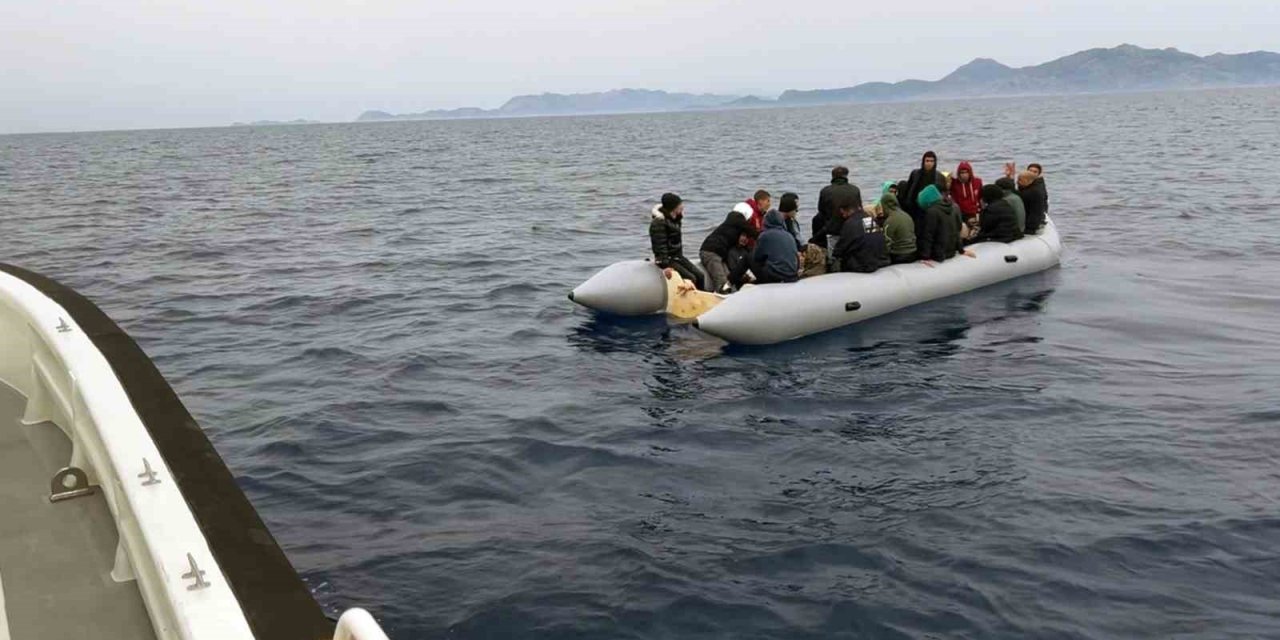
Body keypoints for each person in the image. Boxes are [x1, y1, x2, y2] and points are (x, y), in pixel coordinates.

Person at [649, 193, 707, 290]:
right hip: (668, 259)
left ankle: (702, 297)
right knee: (690, 278)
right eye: (679, 205)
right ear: (673, 207)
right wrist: (665, 265)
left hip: (678, 256)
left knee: (700, 275)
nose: (682, 207)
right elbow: (659, 245)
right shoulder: (659, 223)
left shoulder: (675, 220)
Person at [699, 203, 759, 293]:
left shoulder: (732, 221)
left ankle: (729, 295)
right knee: (722, 281)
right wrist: (764, 237)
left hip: (718, 254)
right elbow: (752, 232)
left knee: (729, 279)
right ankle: (722, 297)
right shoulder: (737, 219)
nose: (748, 221)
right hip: (711, 252)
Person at [810, 166, 862, 249]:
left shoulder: (825, 191)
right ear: (846, 176)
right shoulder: (855, 190)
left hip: (833, 230)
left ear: (832, 176)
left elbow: (821, 210)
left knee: (834, 255)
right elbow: (859, 210)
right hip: (852, 230)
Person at [831, 201, 887, 273]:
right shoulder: (869, 219)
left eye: (843, 213)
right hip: (880, 259)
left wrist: (834, 255)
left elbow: (840, 249)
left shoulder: (850, 224)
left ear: (849, 211)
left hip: (863, 265)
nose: (843, 216)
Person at [751, 210, 801, 284]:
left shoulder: (764, 236)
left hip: (775, 276)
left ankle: (732, 282)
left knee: (747, 258)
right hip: (792, 276)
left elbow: (756, 258)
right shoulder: (789, 235)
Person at [917, 184, 963, 262]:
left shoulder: (931, 212)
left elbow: (928, 235)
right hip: (951, 251)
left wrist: (925, 257)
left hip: (938, 255)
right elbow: (957, 230)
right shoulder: (954, 207)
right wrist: (961, 249)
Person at [903, 151, 947, 223]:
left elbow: (943, 195)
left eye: (931, 161)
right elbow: (909, 190)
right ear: (923, 162)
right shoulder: (915, 174)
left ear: (935, 163)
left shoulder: (939, 177)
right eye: (927, 161)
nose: (929, 163)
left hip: (931, 210)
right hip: (915, 208)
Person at [880, 193, 917, 264]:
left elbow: (886, 244)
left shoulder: (890, 220)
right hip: (913, 253)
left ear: (885, 206)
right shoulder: (907, 215)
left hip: (899, 256)